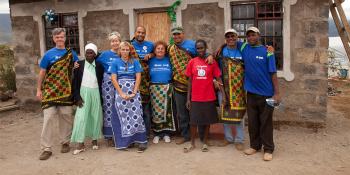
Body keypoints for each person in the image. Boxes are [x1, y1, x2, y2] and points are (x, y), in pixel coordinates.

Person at [36, 28, 79, 160]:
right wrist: (39, 90)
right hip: (49, 91)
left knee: (66, 116)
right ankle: (46, 148)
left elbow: (76, 67)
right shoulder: (48, 54)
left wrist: (75, 65)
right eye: (57, 37)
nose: (60, 39)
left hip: (65, 90)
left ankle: (65, 142)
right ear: (53, 39)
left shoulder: (71, 53)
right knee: (48, 119)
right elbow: (42, 72)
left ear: (65, 38)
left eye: (62, 37)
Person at [240, 27, 281, 161]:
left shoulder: (267, 52)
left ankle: (268, 149)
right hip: (251, 93)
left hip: (267, 94)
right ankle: (255, 146)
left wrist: (277, 93)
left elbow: (273, 73)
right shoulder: (245, 47)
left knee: (266, 123)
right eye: (249, 36)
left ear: (258, 36)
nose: (251, 37)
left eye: (253, 35)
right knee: (252, 122)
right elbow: (231, 42)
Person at [168, 26, 213, 145]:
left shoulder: (191, 44)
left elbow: (202, 52)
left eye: (178, 34)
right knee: (182, 113)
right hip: (178, 84)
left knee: (198, 112)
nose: (176, 36)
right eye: (174, 34)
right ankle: (186, 136)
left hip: (194, 85)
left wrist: (209, 55)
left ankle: (203, 136)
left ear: (183, 34)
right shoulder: (171, 48)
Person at [184, 39, 225, 153]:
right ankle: (192, 143)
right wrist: (188, 98)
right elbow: (190, 82)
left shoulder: (212, 62)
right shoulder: (192, 62)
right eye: (198, 48)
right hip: (195, 97)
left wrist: (224, 94)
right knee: (193, 122)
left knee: (207, 121)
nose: (200, 50)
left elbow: (218, 78)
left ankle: (205, 142)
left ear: (205, 48)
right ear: (195, 49)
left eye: (202, 48)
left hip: (209, 97)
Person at [110, 42, 148, 152]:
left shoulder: (135, 62)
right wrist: (121, 93)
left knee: (137, 115)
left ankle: (141, 141)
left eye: (127, 50)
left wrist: (134, 92)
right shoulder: (115, 62)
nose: (125, 52)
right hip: (120, 92)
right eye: (123, 49)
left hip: (133, 91)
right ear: (119, 51)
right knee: (124, 117)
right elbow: (113, 79)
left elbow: (138, 77)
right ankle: (127, 142)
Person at [215, 29, 246, 151]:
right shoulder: (221, 52)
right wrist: (216, 82)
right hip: (224, 87)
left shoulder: (243, 50)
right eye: (228, 37)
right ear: (225, 39)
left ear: (237, 37)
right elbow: (216, 68)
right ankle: (228, 138)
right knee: (225, 112)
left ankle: (239, 139)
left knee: (240, 114)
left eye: (233, 36)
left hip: (239, 88)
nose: (230, 38)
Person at [71, 43, 104, 155]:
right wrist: (77, 97)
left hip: (95, 93)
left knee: (95, 116)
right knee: (81, 117)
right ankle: (80, 143)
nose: (89, 54)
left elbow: (101, 82)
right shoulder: (79, 65)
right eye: (87, 52)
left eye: (91, 53)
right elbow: (74, 83)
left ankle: (94, 140)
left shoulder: (99, 66)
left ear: (95, 54)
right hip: (83, 94)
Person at [148, 41, 176, 144]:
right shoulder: (150, 60)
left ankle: (166, 134)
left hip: (167, 88)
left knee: (168, 112)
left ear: (165, 51)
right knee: (155, 113)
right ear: (154, 51)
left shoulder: (170, 60)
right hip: (154, 88)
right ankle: (157, 134)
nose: (160, 50)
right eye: (158, 48)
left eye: (162, 49)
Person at [97, 31, 121, 146]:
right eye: (112, 41)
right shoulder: (104, 55)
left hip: (121, 83)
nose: (114, 43)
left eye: (116, 40)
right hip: (108, 84)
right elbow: (92, 63)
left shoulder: (124, 53)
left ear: (120, 41)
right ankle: (109, 136)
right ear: (110, 43)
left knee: (120, 107)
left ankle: (120, 133)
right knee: (108, 108)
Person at [131, 26, 154, 138]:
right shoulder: (129, 45)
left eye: (143, 33)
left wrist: (151, 54)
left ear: (145, 34)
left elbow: (160, 51)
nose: (140, 34)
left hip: (145, 81)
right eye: (138, 32)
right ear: (135, 33)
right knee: (134, 109)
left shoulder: (150, 45)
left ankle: (147, 133)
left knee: (146, 109)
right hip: (132, 81)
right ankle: (135, 132)